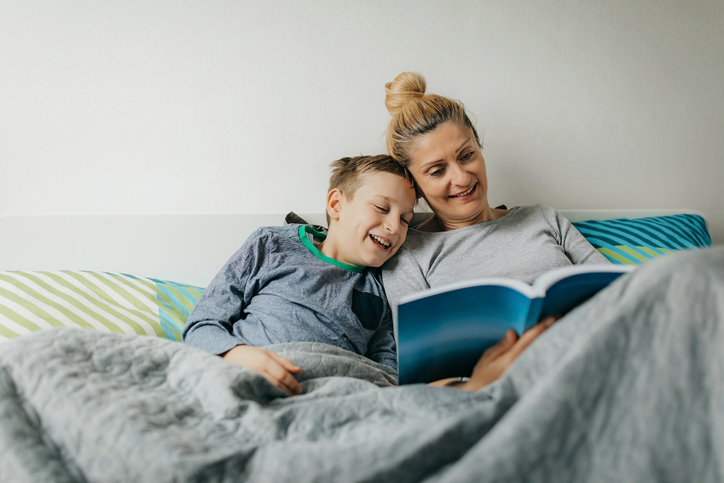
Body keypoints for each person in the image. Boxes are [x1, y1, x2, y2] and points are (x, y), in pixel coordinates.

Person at [380, 71, 614, 383]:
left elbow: (621, 293)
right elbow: (420, 379)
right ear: (414, 185)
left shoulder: (542, 217)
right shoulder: (408, 255)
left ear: (479, 147)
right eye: (437, 171)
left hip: (594, 365)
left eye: (467, 155)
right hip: (501, 396)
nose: (462, 178)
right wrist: (479, 385)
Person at [182, 155, 416, 395]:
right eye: (381, 208)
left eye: (405, 220)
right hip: (249, 373)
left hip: (330, 392)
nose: (394, 227)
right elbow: (200, 327)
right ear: (336, 205)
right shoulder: (272, 244)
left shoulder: (383, 285)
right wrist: (237, 354)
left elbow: (386, 371)